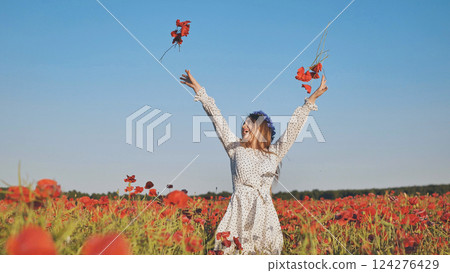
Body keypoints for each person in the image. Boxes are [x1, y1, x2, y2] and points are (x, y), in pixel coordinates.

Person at [180, 69, 328, 254]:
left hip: (265, 216)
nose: (243, 126)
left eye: (248, 123)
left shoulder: (275, 152)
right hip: (238, 213)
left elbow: (294, 128)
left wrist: (312, 98)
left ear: (260, 129)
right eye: (243, 123)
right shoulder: (235, 148)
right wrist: (200, 92)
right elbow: (217, 119)